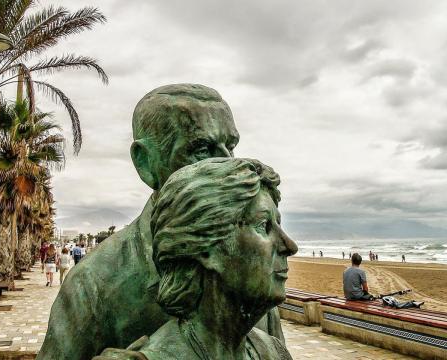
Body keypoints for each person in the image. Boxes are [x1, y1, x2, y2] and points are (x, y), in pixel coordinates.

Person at [39, 84, 283, 360]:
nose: (227, 164)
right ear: (145, 162)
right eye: (202, 149)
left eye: (230, 146)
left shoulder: (250, 269)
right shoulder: (93, 285)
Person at [95, 158, 296, 359]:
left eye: (279, 224)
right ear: (206, 248)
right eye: (263, 225)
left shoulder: (274, 352)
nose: (290, 246)